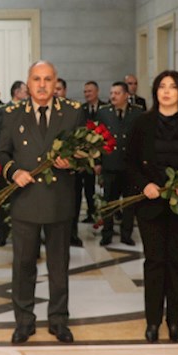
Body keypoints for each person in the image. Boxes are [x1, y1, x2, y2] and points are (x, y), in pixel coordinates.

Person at [0, 60, 85, 344]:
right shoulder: (11, 114)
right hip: (25, 200)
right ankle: (23, 321)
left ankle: (58, 320)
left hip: (59, 201)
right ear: (28, 82)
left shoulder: (72, 113)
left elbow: (85, 151)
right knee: (23, 265)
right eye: (37, 79)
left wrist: (72, 161)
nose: (42, 85)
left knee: (59, 266)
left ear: (56, 82)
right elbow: (1, 154)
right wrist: (14, 172)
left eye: (48, 79)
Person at [126, 70, 178, 344]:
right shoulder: (142, 123)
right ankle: (152, 322)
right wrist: (144, 186)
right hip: (150, 204)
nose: (166, 91)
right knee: (154, 262)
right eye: (162, 86)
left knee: (177, 263)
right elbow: (131, 164)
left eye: (172, 87)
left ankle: (174, 321)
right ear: (155, 92)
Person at [95, 81, 142, 246]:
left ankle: (126, 234)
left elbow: (141, 140)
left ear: (126, 95)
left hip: (130, 167)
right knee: (109, 202)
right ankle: (106, 233)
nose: (113, 96)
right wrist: (97, 161)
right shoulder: (103, 113)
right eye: (111, 93)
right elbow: (97, 139)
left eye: (117, 93)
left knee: (129, 203)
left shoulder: (137, 113)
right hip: (110, 164)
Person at [0, 80, 29, 246]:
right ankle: (2, 234)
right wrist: (11, 143)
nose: (28, 94)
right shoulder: (2, 111)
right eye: (25, 91)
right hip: (7, 162)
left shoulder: (28, 111)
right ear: (17, 93)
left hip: (26, 163)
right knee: (4, 200)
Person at [73, 81, 107, 241]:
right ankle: (90, 213)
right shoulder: (81, 110)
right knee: (86, 187)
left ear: (97, 91)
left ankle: (100, 216)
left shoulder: (105, 109)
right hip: (85, 158)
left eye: (90, 91)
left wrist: (99, 159)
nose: (87, 94)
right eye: (85, 92)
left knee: (100, 190)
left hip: (102, 156)